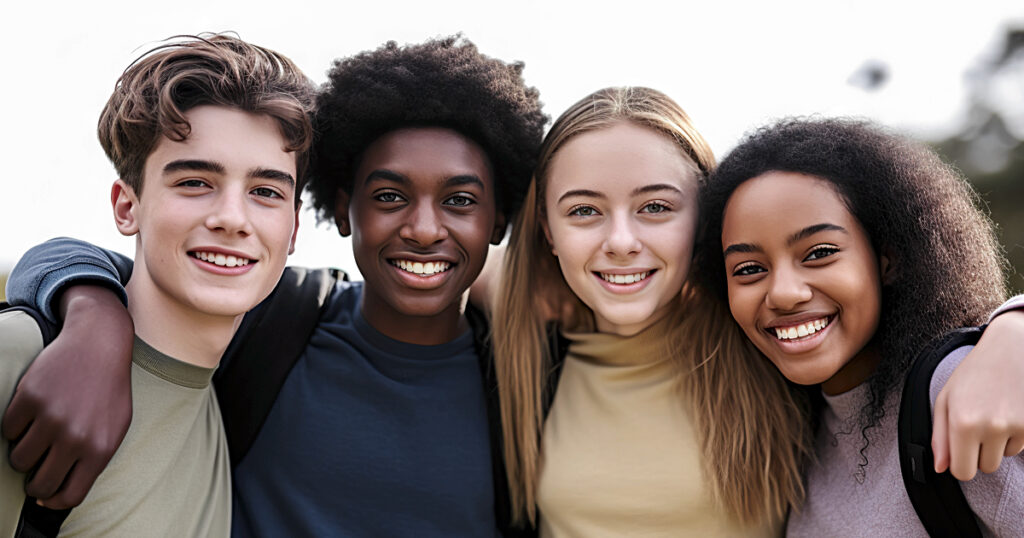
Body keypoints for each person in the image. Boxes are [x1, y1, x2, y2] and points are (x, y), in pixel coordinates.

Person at [4, 36, 546, 537]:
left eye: (460, 200)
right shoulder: (276, 323)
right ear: (339, 209)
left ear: (499, 221)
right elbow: (103, 268)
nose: (424, 229)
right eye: (387, 195)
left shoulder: (526, 376)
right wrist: (93, 320)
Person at [491, 88, 1024, 536]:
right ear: (547, 231)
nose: (622, 241)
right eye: (584, 210)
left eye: (656, 206)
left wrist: (1009, 329)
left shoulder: (765, 356)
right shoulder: (513, 357)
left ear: (704, 225)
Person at [0, 34, 313, 535]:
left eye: (265, 191)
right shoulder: (21, 358)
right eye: (194, 182)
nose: (232, 219)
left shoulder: (246, 380)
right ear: (128, 207)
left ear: (293, 228)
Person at [698, 117, 1024, 535]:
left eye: (819, 253)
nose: (783, 293)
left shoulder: (955, 392)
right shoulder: (794, 434)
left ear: (886, 258)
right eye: (748, 269)